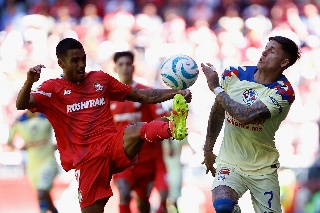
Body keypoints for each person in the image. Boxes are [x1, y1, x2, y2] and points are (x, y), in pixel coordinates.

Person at [15, 37, 191, 213]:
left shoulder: (100, 79)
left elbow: (141, 95)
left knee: (137, 129)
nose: (81, 64)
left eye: (83, 59)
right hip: (87, 161)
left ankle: (172, 127)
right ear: (61, 63)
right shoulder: (52, 89)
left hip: (112, 145)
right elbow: (21, 104)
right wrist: (29, 81)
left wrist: (177, 93)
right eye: (74, 61)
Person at [200, 36, 301, 213]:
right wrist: (208, 149)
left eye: (272, 51)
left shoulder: (283, 92)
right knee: (223, 206)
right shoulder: (234, 75)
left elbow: (245, 116)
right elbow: (218, 110)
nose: (264, 53)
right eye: (266, 48)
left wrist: (216, 88)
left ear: (284, 62)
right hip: (230, 163)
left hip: (262, 169)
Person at [110, 51, 170, 213]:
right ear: (115, 68)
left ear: (133, 67)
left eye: (128, 64)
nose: (125, 68)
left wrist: (168, 127)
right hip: (123, 159)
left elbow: (162, 120)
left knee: (143, 204)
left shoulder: (146, 93)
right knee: (123, 194)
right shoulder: (109, 96)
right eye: (121, 64)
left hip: (147, 160)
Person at [7, 110, 58, 213]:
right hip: (33, 165)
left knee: (41, 192)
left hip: (48, 161)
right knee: (45, 196)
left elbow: (62, 128)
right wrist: (19, 148)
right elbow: (9, 142)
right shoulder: (19, 121)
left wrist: (59, 144)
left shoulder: (47, 115)